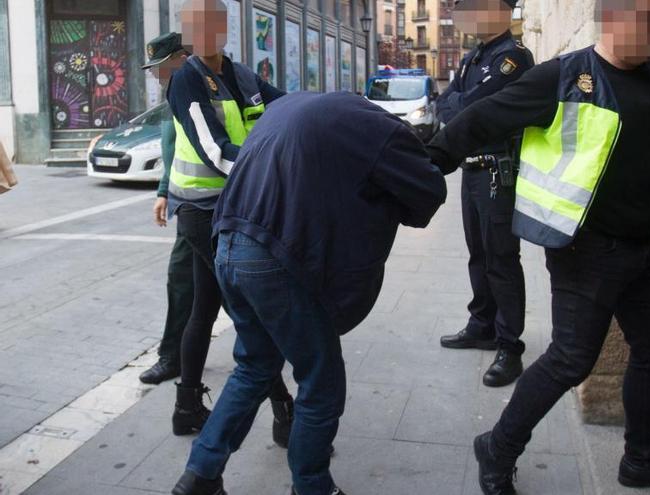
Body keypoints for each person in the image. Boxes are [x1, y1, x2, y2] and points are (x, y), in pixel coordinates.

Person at [426, 0, 650, 493]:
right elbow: (483, 117)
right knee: (571, 360)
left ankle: (641, 459)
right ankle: (498, 446)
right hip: (585, 248)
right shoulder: (565, 76)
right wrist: (429, 165)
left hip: (644, 247)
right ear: (611, 20)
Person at [171, 91, 447, 495]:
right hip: (272, 257)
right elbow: (427, 194)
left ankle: (200, 475)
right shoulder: (385, 132)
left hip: (228, 243)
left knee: (253, 366)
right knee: (321, 380)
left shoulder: (296, 106)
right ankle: (312, 485)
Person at [166, 0, 293, 447]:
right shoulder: (186, 80)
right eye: (194, 24)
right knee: (251, 310)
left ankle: (186, 407)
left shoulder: (240, 76)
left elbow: (284, 106)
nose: (204, 31)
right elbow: (213, 149)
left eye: (212, 21)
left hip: (235, 206)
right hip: (203, 214)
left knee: (205, 307)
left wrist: (327, 109)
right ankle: (283, 407)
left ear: (224, 26)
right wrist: (268, 168)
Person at [436, 0, 534, 388]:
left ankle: (510, 344)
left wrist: (460, 103)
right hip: (472, 168)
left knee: (502, 258)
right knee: (478, 252)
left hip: (498, 171)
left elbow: (473, 106)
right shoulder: (473, 58)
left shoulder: (513, 59)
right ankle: (482, 325)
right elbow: (448, 105)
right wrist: (460, 103)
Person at [138, 32, 193, 386]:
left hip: (217, 201)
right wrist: (163, 190)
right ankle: (174, 356)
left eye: (162, 67)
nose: (157, 75)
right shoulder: (174, 94)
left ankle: (172, 357)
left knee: (198, 281)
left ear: (181, 58)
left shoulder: (207, 88)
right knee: (186, 281)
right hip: (188, 201)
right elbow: (170, 145)